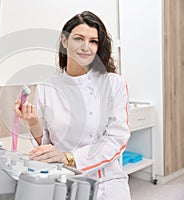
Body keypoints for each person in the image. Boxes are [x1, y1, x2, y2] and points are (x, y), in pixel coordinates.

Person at [14, 11, 131, 200]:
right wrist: (33, 122)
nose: (86, 47)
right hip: (63, 179)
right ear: (64, 40)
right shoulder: (47, 87)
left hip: (106, 182)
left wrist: (69, 157)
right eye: (79, 39)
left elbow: (116, 139)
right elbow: (48, 146)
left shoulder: (113, 83)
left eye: (93, 41)